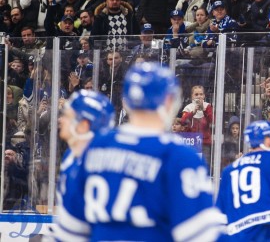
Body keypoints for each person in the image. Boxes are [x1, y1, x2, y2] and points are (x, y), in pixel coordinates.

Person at [56, 62, 226, 241]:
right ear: (169, 101)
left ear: (127, 102)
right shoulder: (178, 156)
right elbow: (203, 236)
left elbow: (69, 233)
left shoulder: (92, 149)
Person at [50, 90, 115, 240]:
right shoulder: (71, 156)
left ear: (84, 125)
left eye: (67, 116)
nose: (61, 120)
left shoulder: (105, 165)